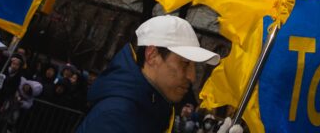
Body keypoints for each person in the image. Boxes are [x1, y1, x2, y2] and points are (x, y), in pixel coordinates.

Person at [74, 15, 220, 133]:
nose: (192, 76)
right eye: (185, 63)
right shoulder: (118, 115)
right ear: (152, 56)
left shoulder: (148, 107)